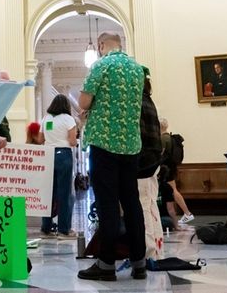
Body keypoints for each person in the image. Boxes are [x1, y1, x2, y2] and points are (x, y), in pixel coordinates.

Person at [76, 32, 147, 281]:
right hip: (130, 144)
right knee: (132, 202)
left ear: (101, 45)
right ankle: (139, 262)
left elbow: (84, 102)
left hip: (104, 142)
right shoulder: (138, 69)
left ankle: (106, 264)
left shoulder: (102, 65)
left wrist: (86, 109)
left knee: (107, 203)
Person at [37, 94, 78, 240]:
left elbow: (40, 139)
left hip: (48, 155)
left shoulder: (46, 118)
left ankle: (46, 229)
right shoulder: (68, 119)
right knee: (64, 193)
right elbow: (73, 141)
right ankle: (63, 230)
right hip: (64, 155)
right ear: (66, 106)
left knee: (48, 193)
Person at [137, 68, 165, 258]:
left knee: (144, 206)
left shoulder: (137, 102)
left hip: (142, 161)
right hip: (153, 160)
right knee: (150, 204)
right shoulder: (149, 100)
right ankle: (157, 249)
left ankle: (149, 252)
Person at [159, 118, 193, 224]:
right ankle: (187, 213)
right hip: (171, 167)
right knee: (173, 190)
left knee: (173, 191)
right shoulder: (169, 137)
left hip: (166, 168)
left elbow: (160, 154)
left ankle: (187, 213)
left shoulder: (163, 139)